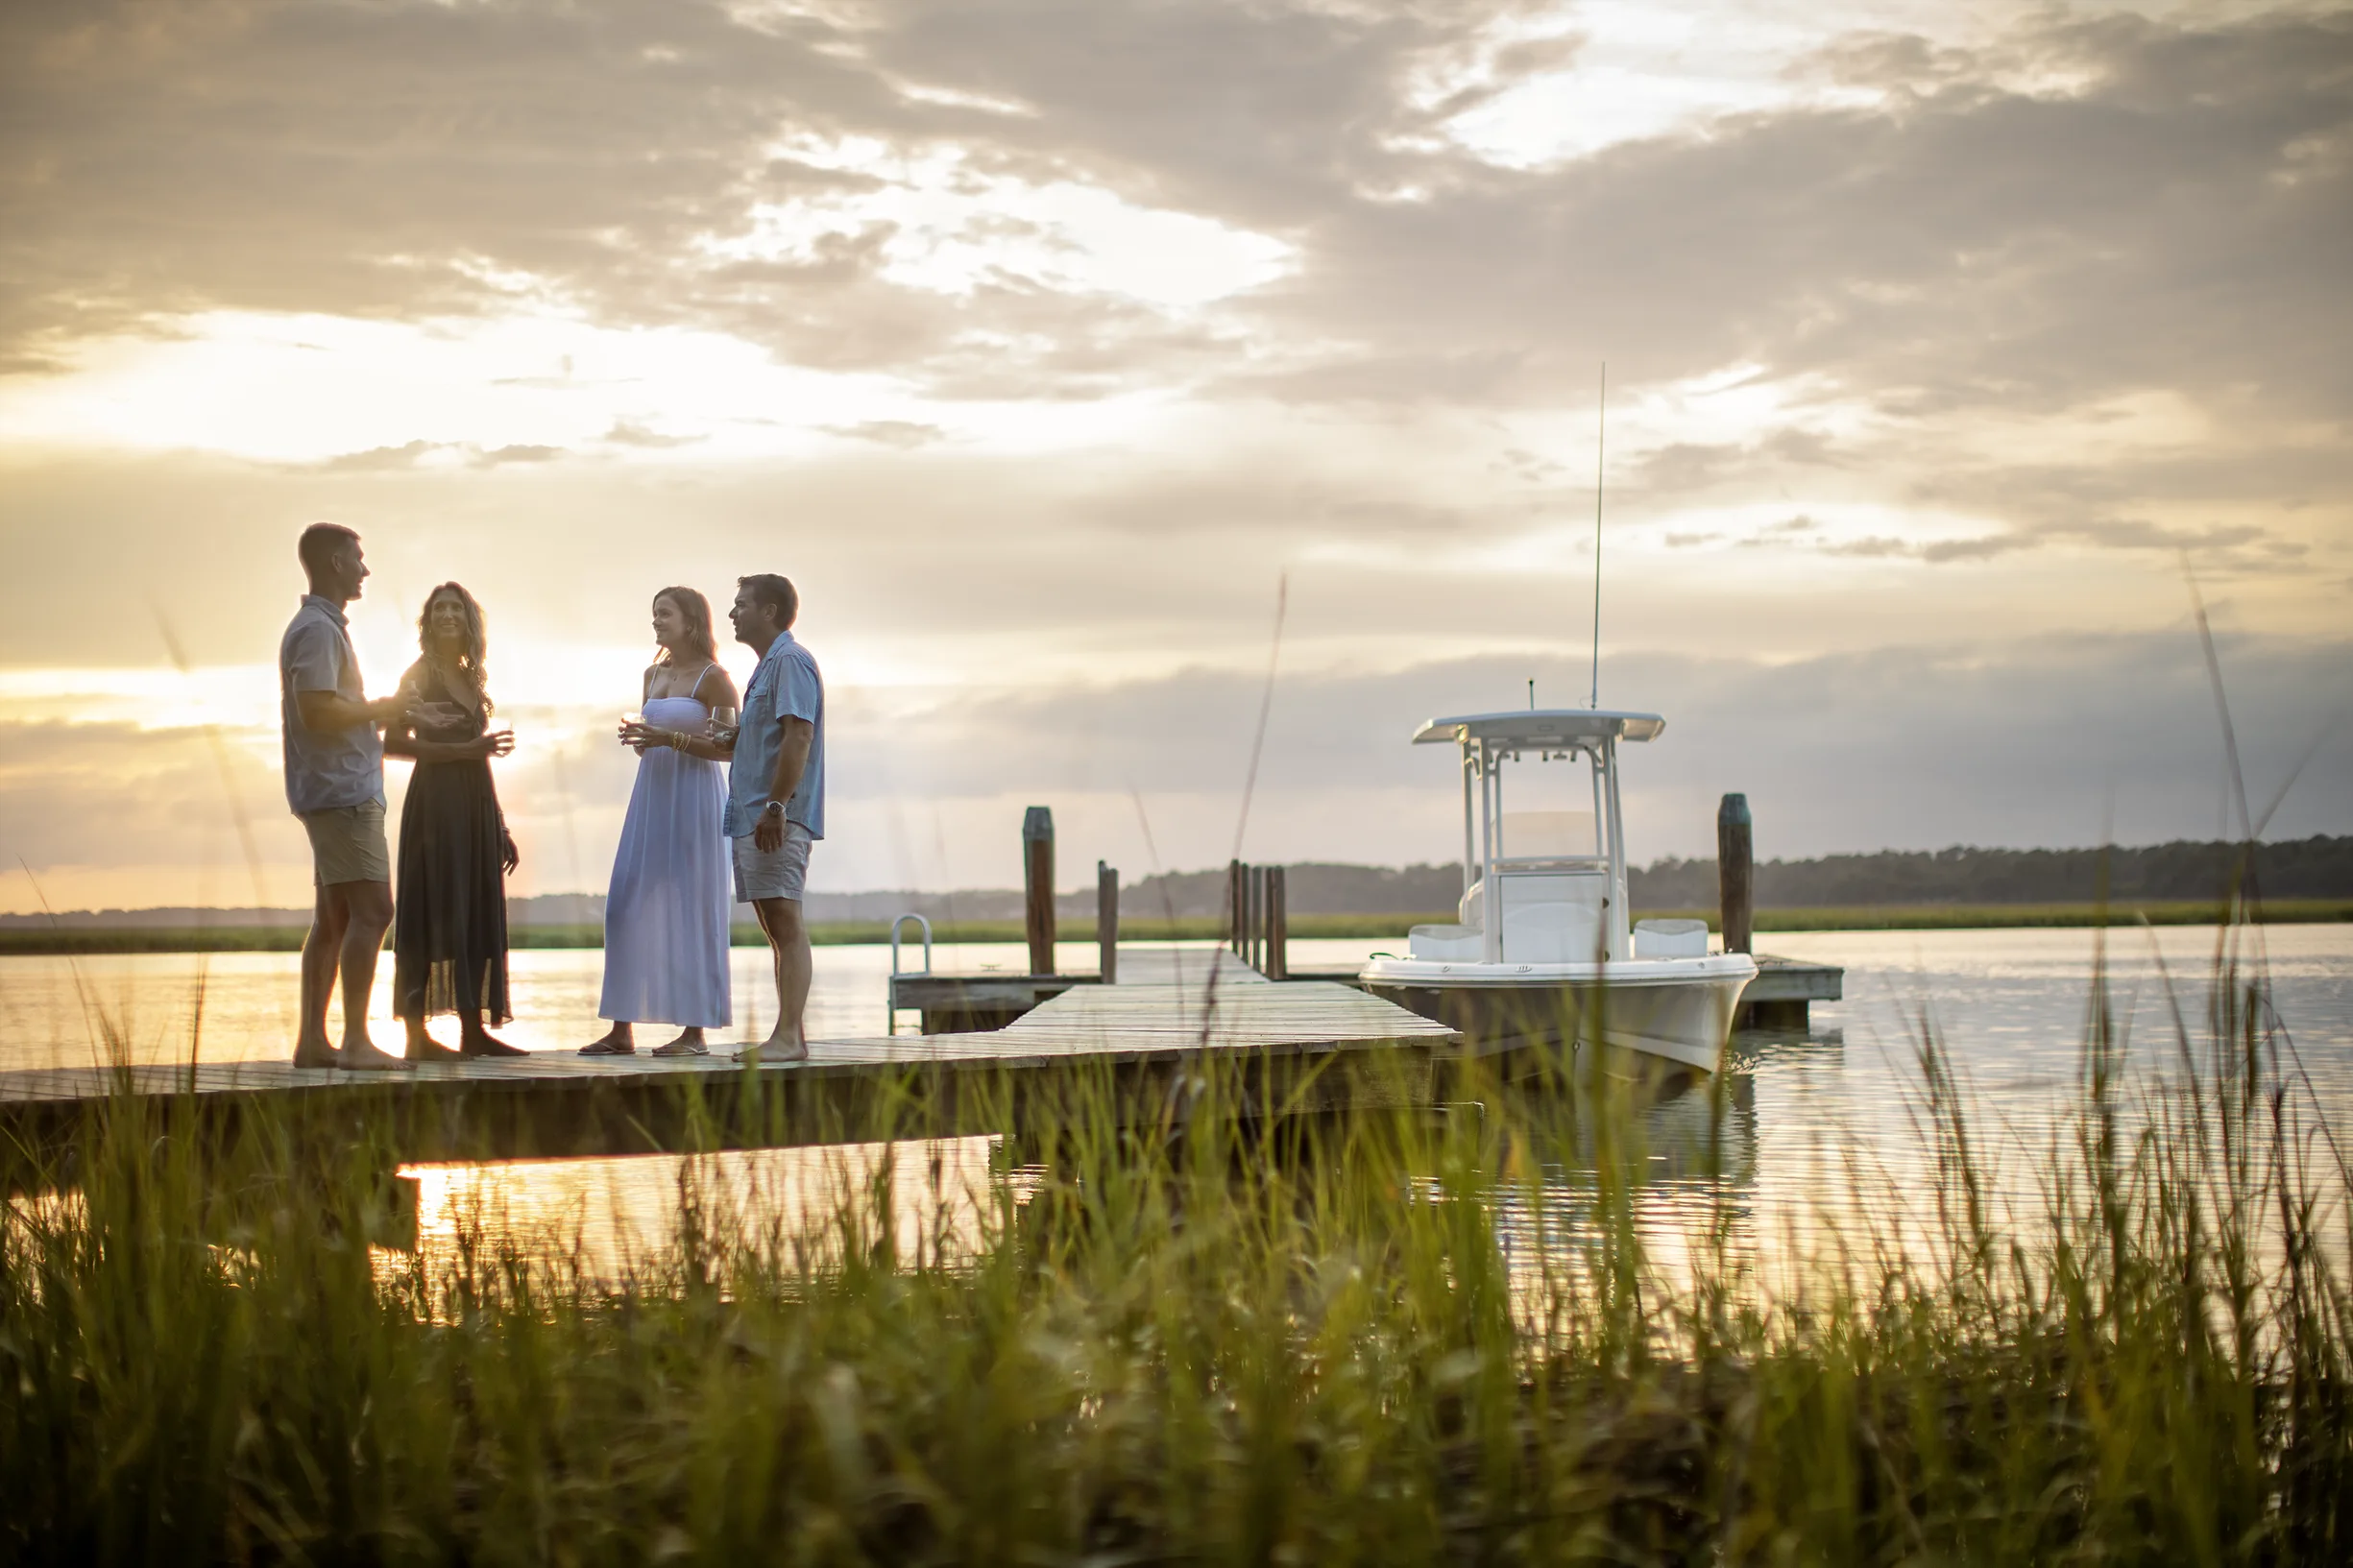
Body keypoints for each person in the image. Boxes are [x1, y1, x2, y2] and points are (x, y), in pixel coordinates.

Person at [580, 587, 740, 1057]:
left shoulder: (715, 679)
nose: (656, 621)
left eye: (664, 614)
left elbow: (732, 747)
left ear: (691, 621)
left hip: (696, 800)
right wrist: (643, 741)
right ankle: (621, 1030)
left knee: (694, 906)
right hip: (652, 796)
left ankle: (695, 1034)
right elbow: (655, 737)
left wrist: (669, 738)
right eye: (654, 614)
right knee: (624, 902)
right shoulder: (652, 674)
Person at [279, 523, 410, 1070]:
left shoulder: (323, 627)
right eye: (358, 558)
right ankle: (356, 1041)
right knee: (375, 910)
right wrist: (384, 707)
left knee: (333, 916)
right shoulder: (317, 630)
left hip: (335, 789)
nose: (365, 568)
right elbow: (318, 709)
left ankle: (314, 1042)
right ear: (336, 562)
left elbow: (330, 708)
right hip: (341, 794)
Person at [383, 584, 522, 1058]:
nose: (446, 614)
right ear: (428, 621)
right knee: (433, 909)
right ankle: (416, 1038)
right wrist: (463, 750)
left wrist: (499, 824)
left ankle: (473, 1031)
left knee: (474, 910)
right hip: (436, 805)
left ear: (468, 621)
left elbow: (481, 758)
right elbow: (393, 744)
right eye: (438, 608)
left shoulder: (472, 678)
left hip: (475, 804)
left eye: (455, 608)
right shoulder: (419, 674)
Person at [716, 573, 823, 1063]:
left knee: (786, 921)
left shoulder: (791, 662)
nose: (733, 613)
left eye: (741, 604)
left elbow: (798, 736)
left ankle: (788, 1038)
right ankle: (788, 1037)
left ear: (770, 612)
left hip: (776, 815)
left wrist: (776, 807)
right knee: (775, 925)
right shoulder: (764, 668)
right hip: (755, 816)